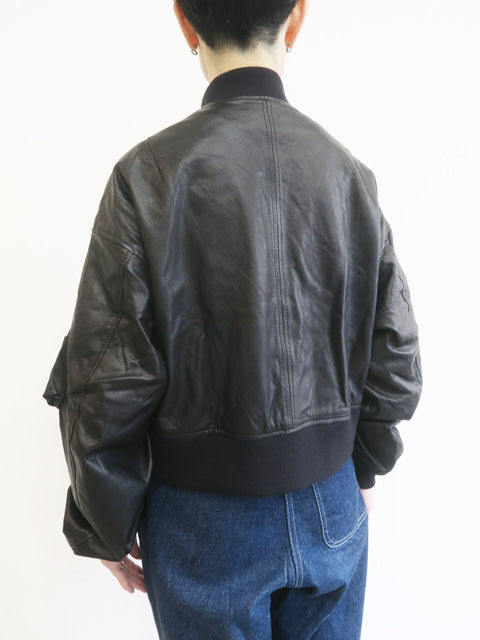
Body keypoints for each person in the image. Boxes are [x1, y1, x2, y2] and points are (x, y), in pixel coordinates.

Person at [42, 0, 423, 638]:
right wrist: (359, 465)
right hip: (331, 500)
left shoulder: (146, 176)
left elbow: (106, 377)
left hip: (202, 518)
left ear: (184, 21)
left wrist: (103, 522)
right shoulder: (350, 176)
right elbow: (396, 356)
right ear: (296, 18)